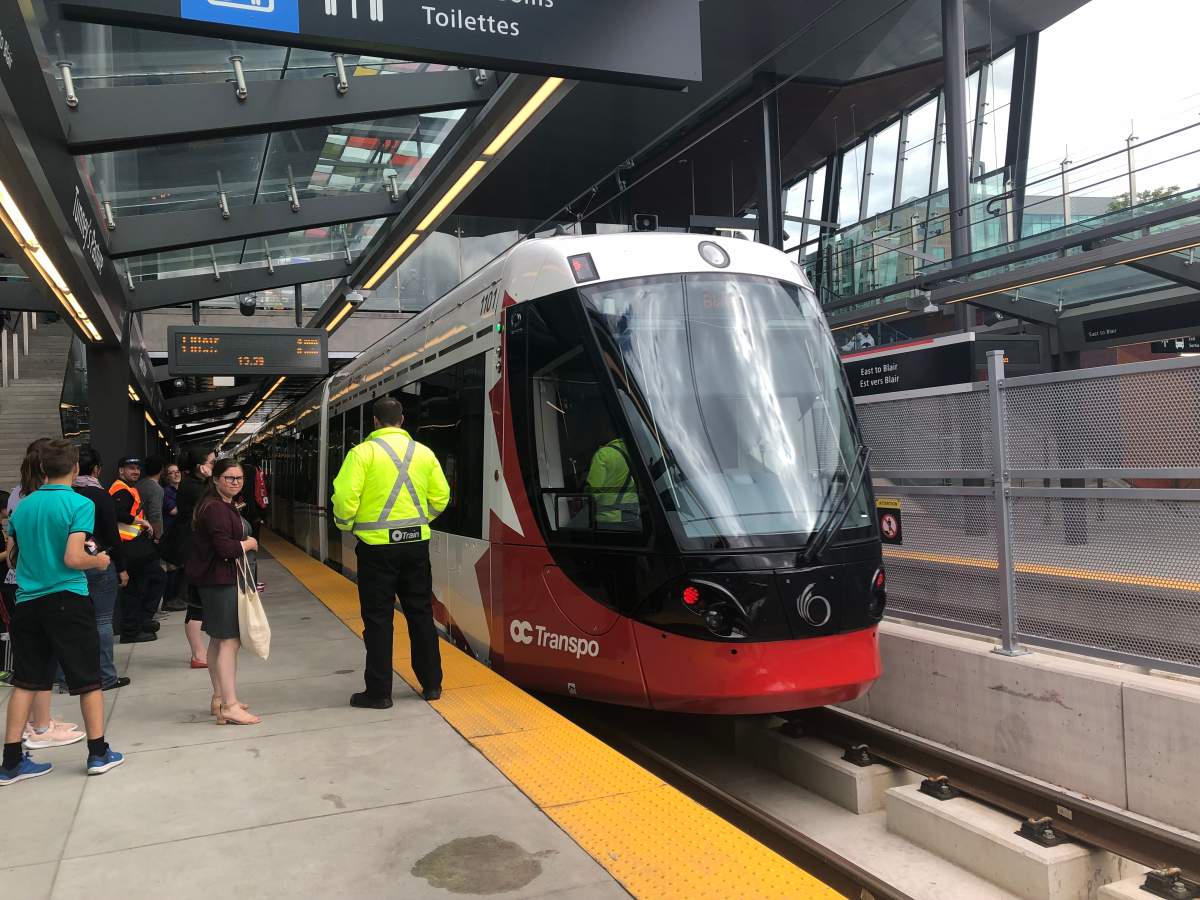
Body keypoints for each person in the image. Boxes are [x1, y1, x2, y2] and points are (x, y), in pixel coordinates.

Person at [0, 439, 124, 785]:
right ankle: (98, 753)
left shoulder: (21, 507)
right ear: (76, 469)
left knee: (27, 680)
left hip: (27, 602)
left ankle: (11, 762)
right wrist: (98, 560)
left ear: (41, 468)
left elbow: (14, 557)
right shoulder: (79, 503)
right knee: (88, 680)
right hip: (68, 599)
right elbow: (74, 558)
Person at [331, 397, 450, 707]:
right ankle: (432, 684)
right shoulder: (424, 453)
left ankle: (379, 692)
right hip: (415, 547)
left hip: (376, 550)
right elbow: (442, 497)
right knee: (421, 613)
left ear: (374, 421)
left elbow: (344, 498)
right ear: (402, 420)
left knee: (379, 619)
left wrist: (347, 524)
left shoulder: (362, 454)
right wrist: (421, 520)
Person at [10, 439, 83, 750]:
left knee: (30, 672)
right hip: (56, 589)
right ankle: (40, 726)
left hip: (24, 588)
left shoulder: (20, 498)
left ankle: (33, 729)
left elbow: (13, 553)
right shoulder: (67, 501)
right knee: (40, 670)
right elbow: (73, 557)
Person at [186, 458, 260, 725]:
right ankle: (229, 705)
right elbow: (225, 549)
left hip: (217, 580)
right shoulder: (216, 508)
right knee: (229, 641)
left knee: (219, 641)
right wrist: (249, 544)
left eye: (239, 479)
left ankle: (221, 698)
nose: (236, 483)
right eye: (230, 478)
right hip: (221, 581)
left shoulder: (217, 504)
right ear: (216, 479)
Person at [74, 445, 131, 691]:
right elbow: (112, 534)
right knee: (102, 620)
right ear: (96, 469)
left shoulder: (66, 493)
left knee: (72, 622)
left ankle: (68, 678)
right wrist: (122, 567)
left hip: (69, 564)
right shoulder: (99, 495)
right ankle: (106, 676)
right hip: (98, 561)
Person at [161, 449, 213, 667]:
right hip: (193, 550)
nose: (214, 465)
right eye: (211, 462)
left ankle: (199, 653)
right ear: (200, 466)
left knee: (197, 602)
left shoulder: (191, 485)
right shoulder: (193, 487)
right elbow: (214, 499)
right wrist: (211, 478)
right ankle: (198, 654)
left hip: (192, 548)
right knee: (197, 603)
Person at [109, 457, 161, 643]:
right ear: (120, 470)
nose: (136, 472)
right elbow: (118, 513)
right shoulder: (120, 490)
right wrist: (142, 522)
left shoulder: (128, 488)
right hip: (129, 547)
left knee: (151, 581)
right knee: (135, 589)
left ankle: (141, 622)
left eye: (138, 468)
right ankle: (132, 630)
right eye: (131, 468)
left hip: (136, 546)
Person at [585, 437, 641, 528]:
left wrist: (583, 492)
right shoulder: (633, 450)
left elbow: (594, 492)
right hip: (633, 517)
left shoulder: (603, 454)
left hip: (610, 520)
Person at [160, 462, 186, 612]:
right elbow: (174, 511)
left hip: (181, 533)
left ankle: (178, 598)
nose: (176, 474)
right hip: (171, 534)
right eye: (172, 472)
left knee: (181, 566)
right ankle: (169, 600)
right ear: (166, 477)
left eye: (177, 471)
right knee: (173, 568)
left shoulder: (182, 490)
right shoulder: (166, 492)